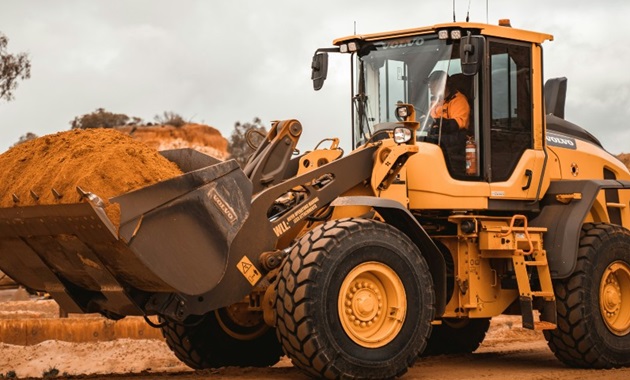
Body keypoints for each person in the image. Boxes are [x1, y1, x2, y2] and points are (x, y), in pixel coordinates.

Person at [426, 70, 471, 175]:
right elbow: (431, 118)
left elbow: (460, 123)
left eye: (432, 84)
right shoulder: (435, 101)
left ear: (443, 84)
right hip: (438, 139)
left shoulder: (458, 100)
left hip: (455, 142)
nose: (430, 87)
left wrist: (439, 123)